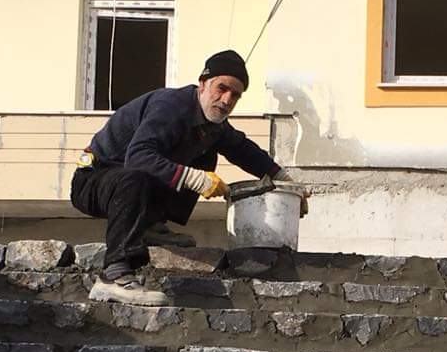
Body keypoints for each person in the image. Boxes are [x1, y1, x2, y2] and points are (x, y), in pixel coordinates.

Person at [71, 49, 291, 305]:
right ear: (203, 84)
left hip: (130, 184)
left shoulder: (213, 124)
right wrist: (195, 179)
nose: (227, 100)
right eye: (222, 88)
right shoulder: (170, 107)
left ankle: (150, 226)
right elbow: (138, 157)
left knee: (204, 156)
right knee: (137, 177)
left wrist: (284, 180)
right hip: (93, 181)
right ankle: (114, 274)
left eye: (235, 95)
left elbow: (243, 150)